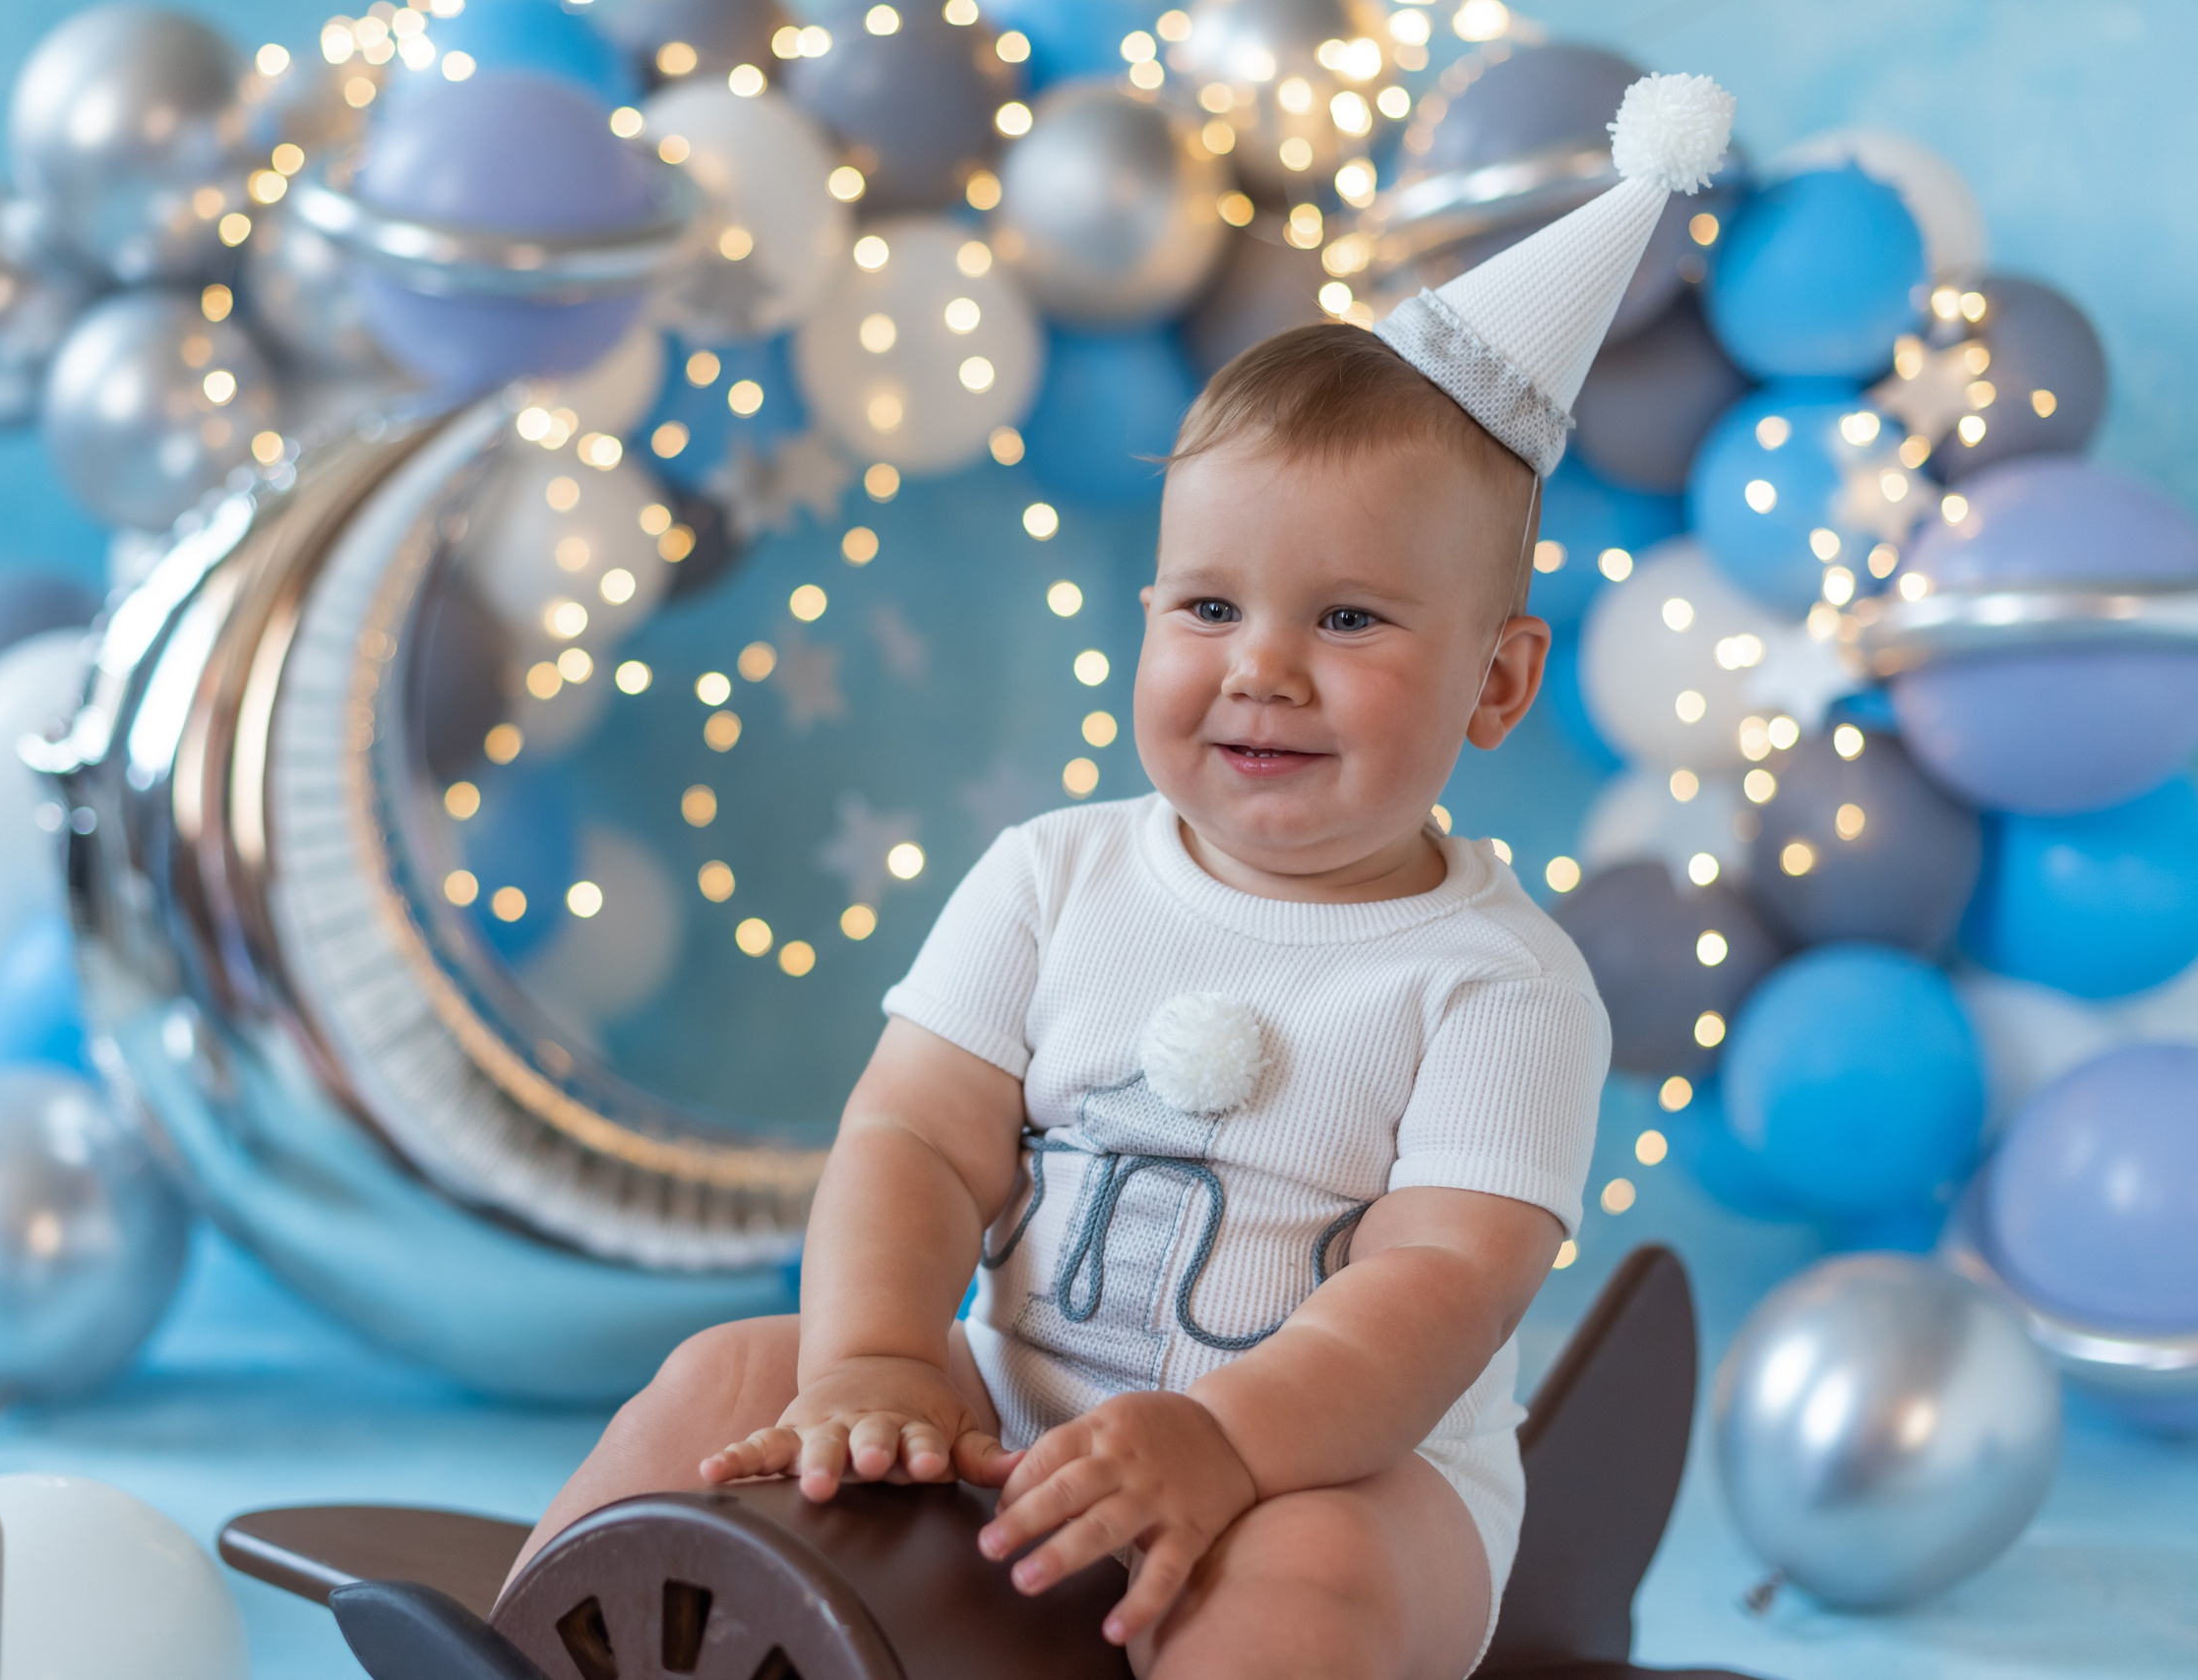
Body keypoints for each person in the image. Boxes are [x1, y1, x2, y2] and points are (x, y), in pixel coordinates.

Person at [508, 72, 1734, 1680]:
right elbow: (914, 1138)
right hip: (1019, 1421)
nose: (1263, 671)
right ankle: (530, 1643)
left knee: (1324, 1568)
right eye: (1209, 610)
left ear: (1498, 686)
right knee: (728, 1380)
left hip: (1322, 1462)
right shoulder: (1053, 879)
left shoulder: (1500, 987)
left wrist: (1221, 1446)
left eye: (1350, 620)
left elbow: (1435, 1291)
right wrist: (879, 1357)